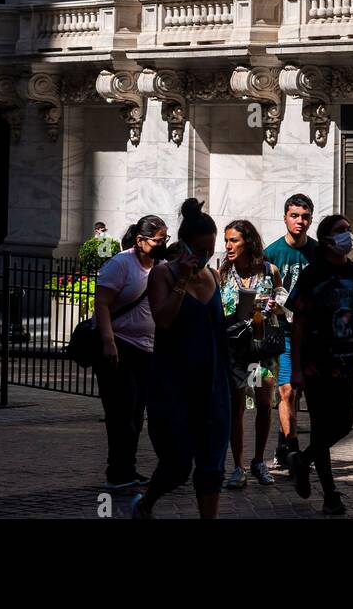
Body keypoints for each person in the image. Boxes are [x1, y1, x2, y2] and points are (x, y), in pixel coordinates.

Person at [132, 200, 231, 519]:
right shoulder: (162, 274)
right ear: (185, 245)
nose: (205, 256)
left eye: (210, 249)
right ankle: (146, 503)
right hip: (174, 384)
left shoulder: (213, 276)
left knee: (212, 462)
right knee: (176, 465)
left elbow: (217, 327)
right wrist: (181, 282)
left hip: (213, 383)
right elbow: (162, 321)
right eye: (200, 249)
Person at [288, 214, 353, 515]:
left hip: (346, 362)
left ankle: (302, 459)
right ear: (326, 239)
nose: (347, 236)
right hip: (315, 363)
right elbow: (297, 322)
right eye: (340, 231)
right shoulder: (312, 275)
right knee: (322, 426)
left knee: (344, 424)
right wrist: (296, 368)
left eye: (349, 230)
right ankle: (330, 491)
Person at [93, 213, 167, 491]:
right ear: (140, 240)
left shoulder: (160, 266)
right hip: (120, 347)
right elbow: (102, 304)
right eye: (158, 239)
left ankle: (128, 467)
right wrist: (108, 342)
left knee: (136, 412)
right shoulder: (121, 264)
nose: (163, 244)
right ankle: (117, 471)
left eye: (165, 239)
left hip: (147, 349)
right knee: (121, 411)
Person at [219, 218, 282, 488]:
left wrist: (274, 305)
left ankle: (259, 461)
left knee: (264, 404)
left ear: (248, 241)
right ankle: (237, 466)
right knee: (236, 407)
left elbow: (283, 301)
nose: (228, 246)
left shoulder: (269, 270)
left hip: (261, 349)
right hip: (235, 350)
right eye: (226, 240)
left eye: (234, 240)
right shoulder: (222, 272)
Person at [263, 193, 319, 470]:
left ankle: (285, 442)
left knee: (301, 393)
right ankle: (292, 448)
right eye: (295, 215)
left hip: (313, 335)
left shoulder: (318, 253)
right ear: (285, 217)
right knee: (287, 391)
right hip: (284, 333)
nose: (300, 221)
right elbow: (262, 292)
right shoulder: (272, 253)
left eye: (305, 216)